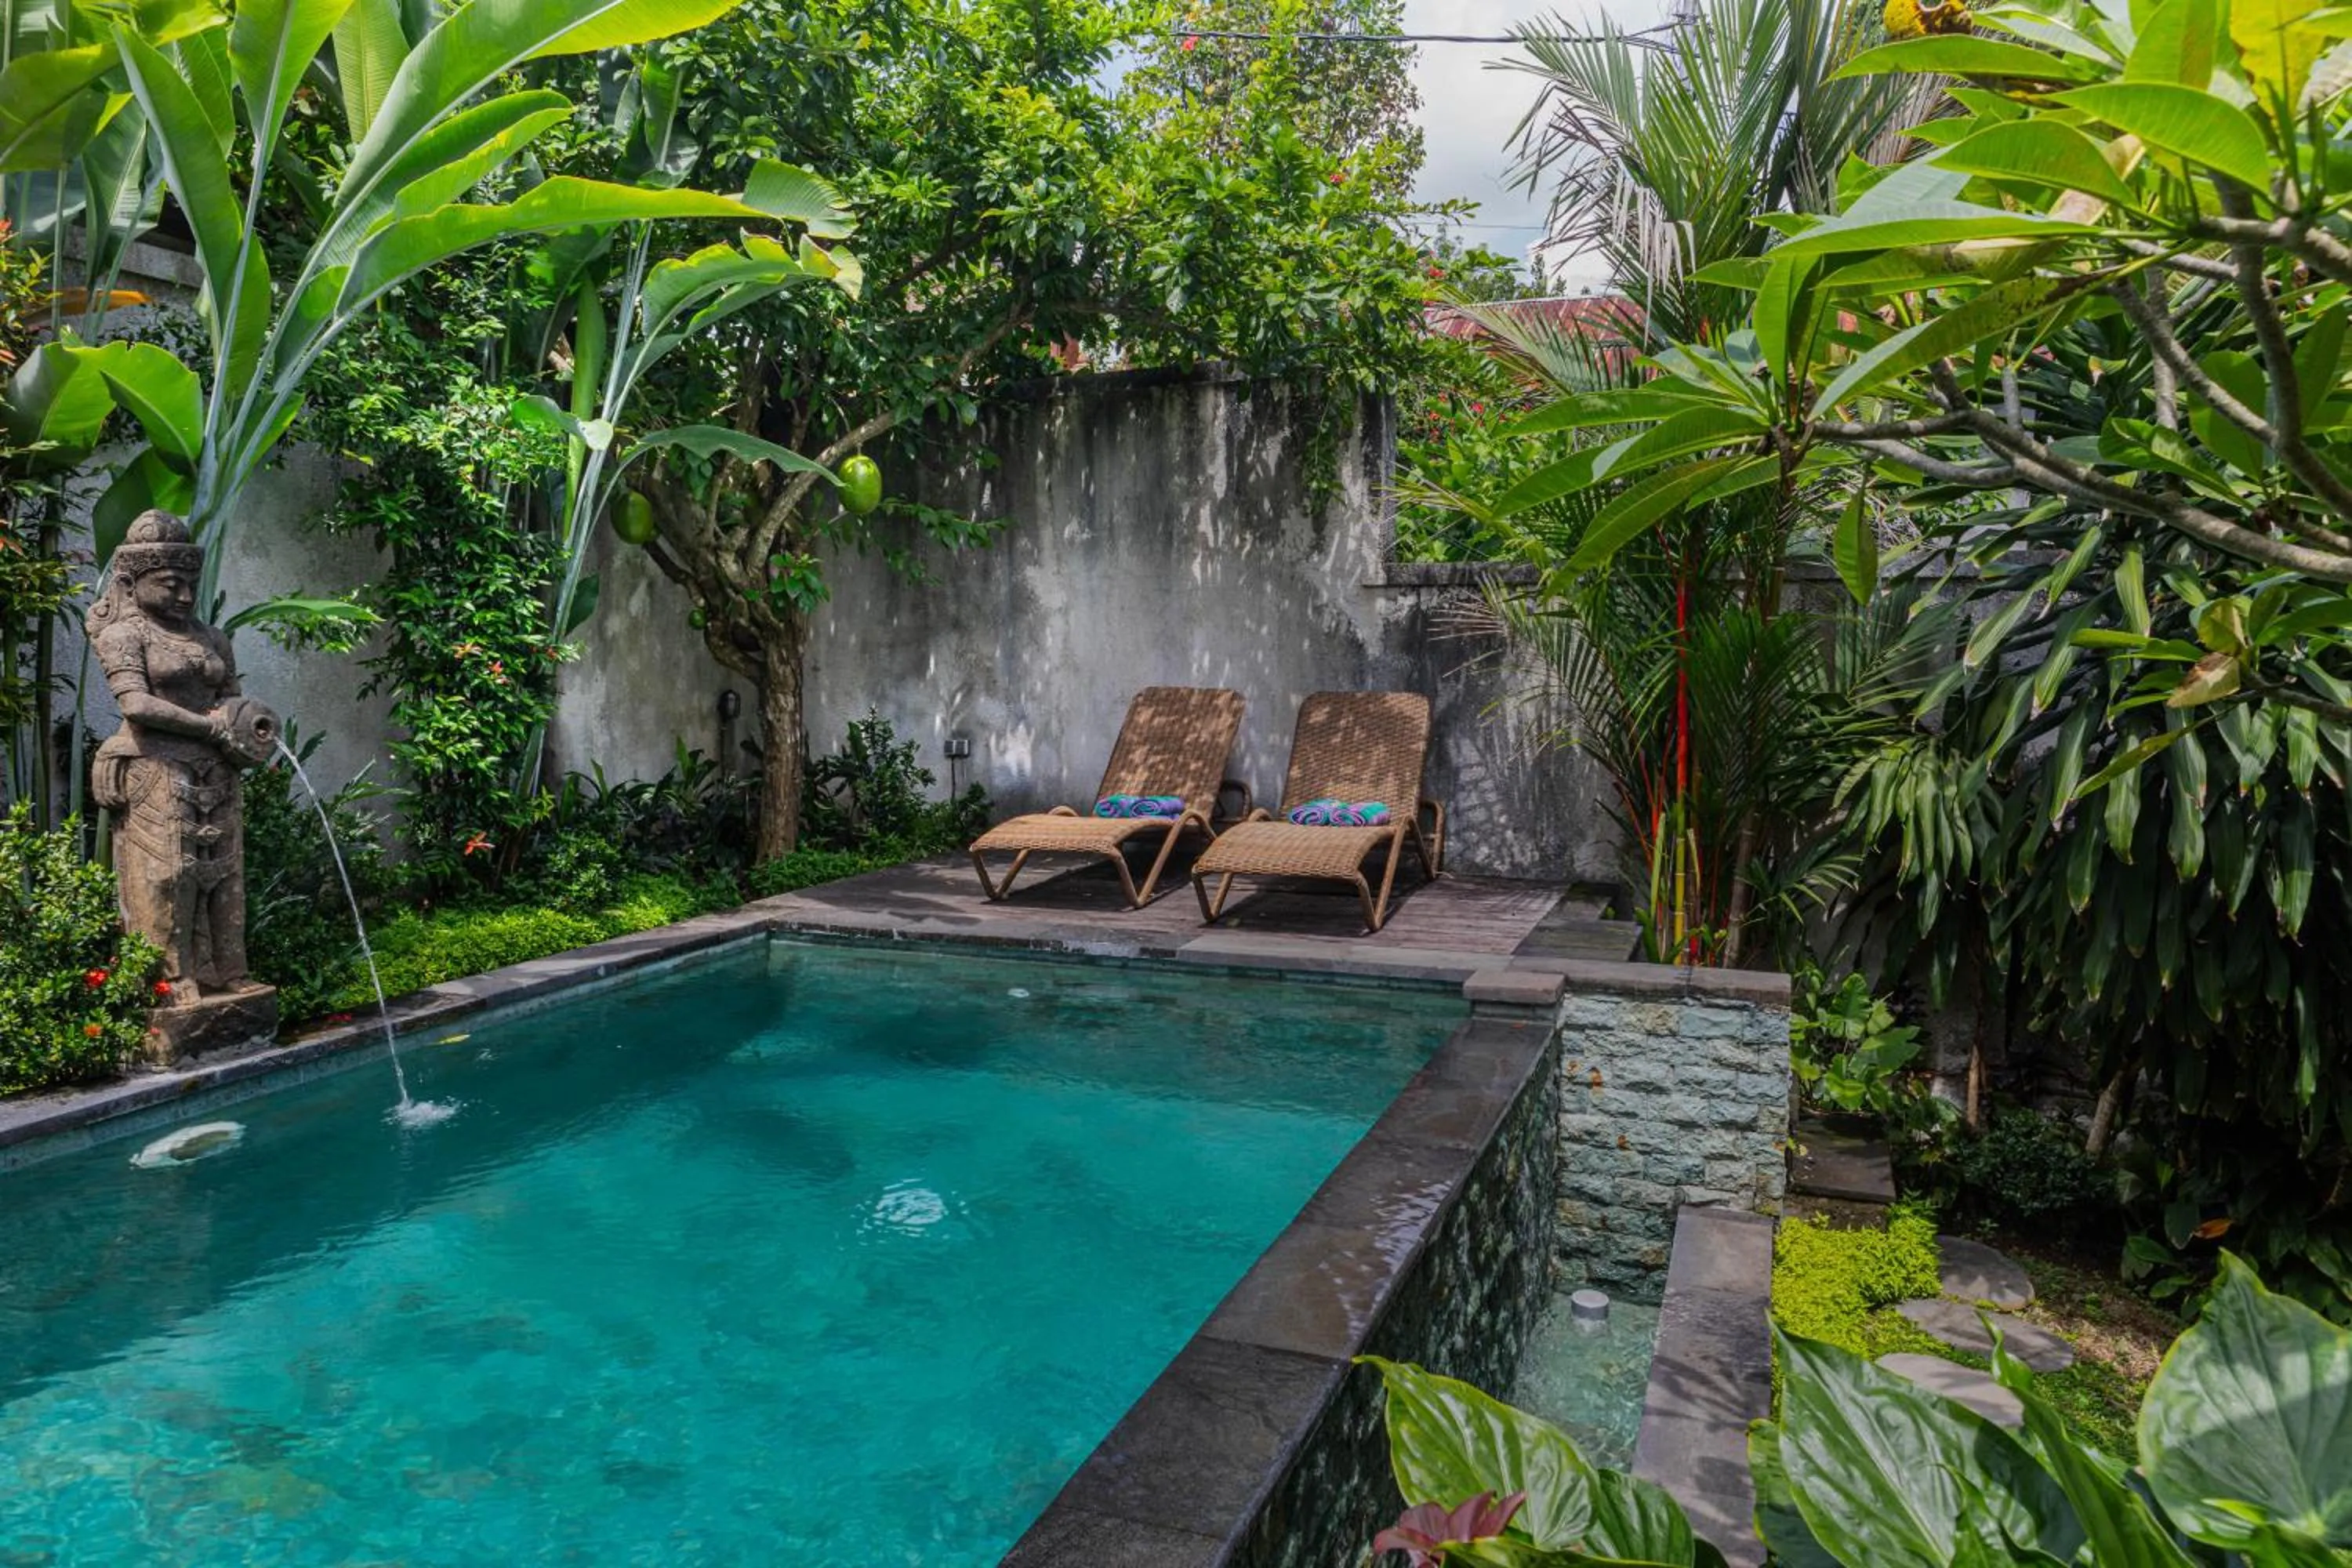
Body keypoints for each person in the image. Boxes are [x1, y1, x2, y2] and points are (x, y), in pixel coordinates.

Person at [85, 510, 278, 1004]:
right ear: (131, 583)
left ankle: (229, 970)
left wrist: (244, 728)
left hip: (218, 767)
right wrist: (209, 726)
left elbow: (232, 697)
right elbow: (136, 705)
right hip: (157, 766)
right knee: (170, 874)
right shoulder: (124, 635)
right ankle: (173, 978)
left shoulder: (212, 637)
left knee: (226, 874)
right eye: (171, 585)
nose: (185, 597)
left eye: (189, 584)